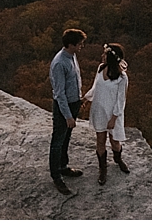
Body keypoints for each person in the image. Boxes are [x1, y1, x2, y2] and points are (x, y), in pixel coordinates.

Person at [83, 42, 130, 185]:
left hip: (112, 113)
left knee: (115, 141)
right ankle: (102, 169)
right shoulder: (100, 68)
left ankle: (118, 158)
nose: (102, 56)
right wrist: (85, 98)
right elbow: (95, 88)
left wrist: (114, 118)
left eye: (104, 54)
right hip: (99, 110)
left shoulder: (122, 78)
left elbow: (121, 100)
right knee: (100, 140)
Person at [48, 28, 86, 195]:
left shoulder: (72, 56)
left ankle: (63, 166)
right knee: (58, 141)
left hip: (74, 103)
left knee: (66, 138)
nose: (81, 47)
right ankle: (56, 176)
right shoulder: (59, 63)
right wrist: (68, 116)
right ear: (70, 45)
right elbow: (59, 93)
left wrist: (79, 99)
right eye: (79, 44)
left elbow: (75, 80)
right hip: (64, 107)